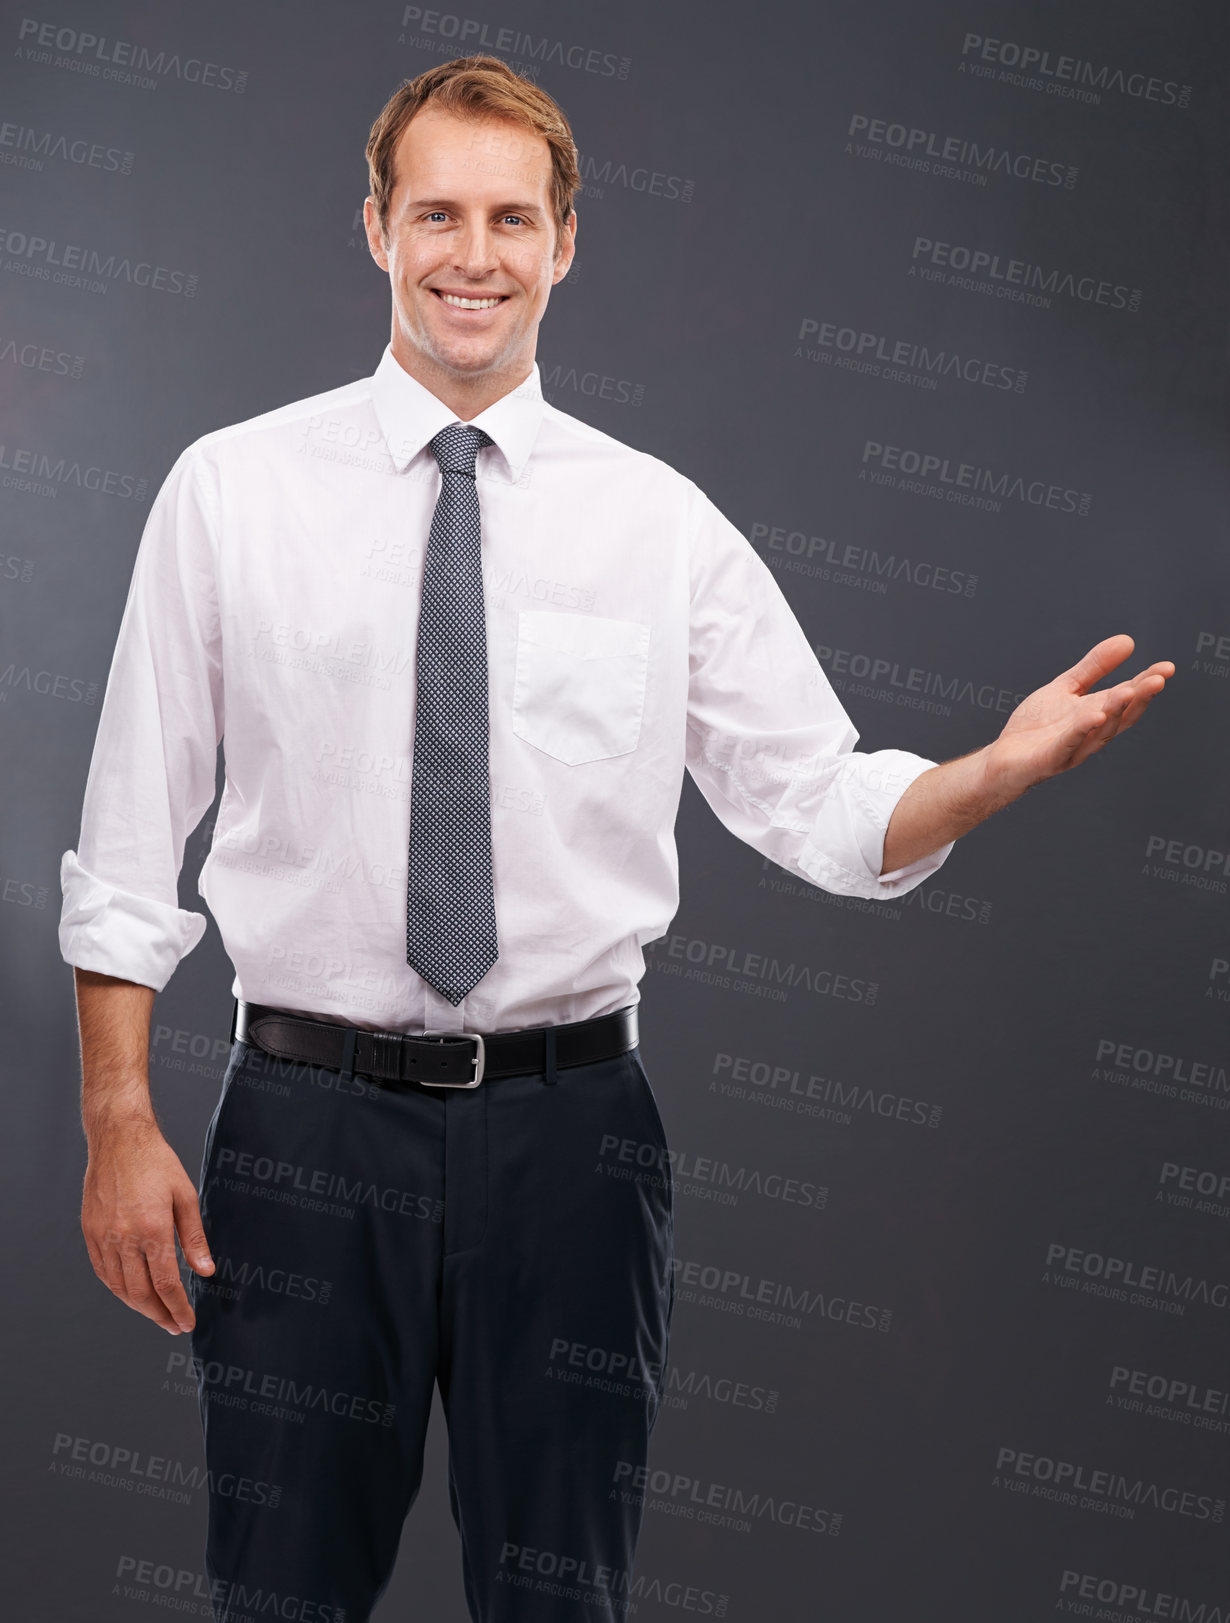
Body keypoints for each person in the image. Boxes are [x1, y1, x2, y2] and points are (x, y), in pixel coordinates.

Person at [60, 53, 1173, 1623]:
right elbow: (126, 844)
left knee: (559, 1596)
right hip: (302, 1140)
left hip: (571, 1143)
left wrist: (993, 769)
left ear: (565, 243)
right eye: (435, 212)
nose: (472, 255)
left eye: (511, 219)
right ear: (374, 226)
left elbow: (825, 805)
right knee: (280, 1593)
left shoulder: (657, 522)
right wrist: (118, 1122)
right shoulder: (229, 492)